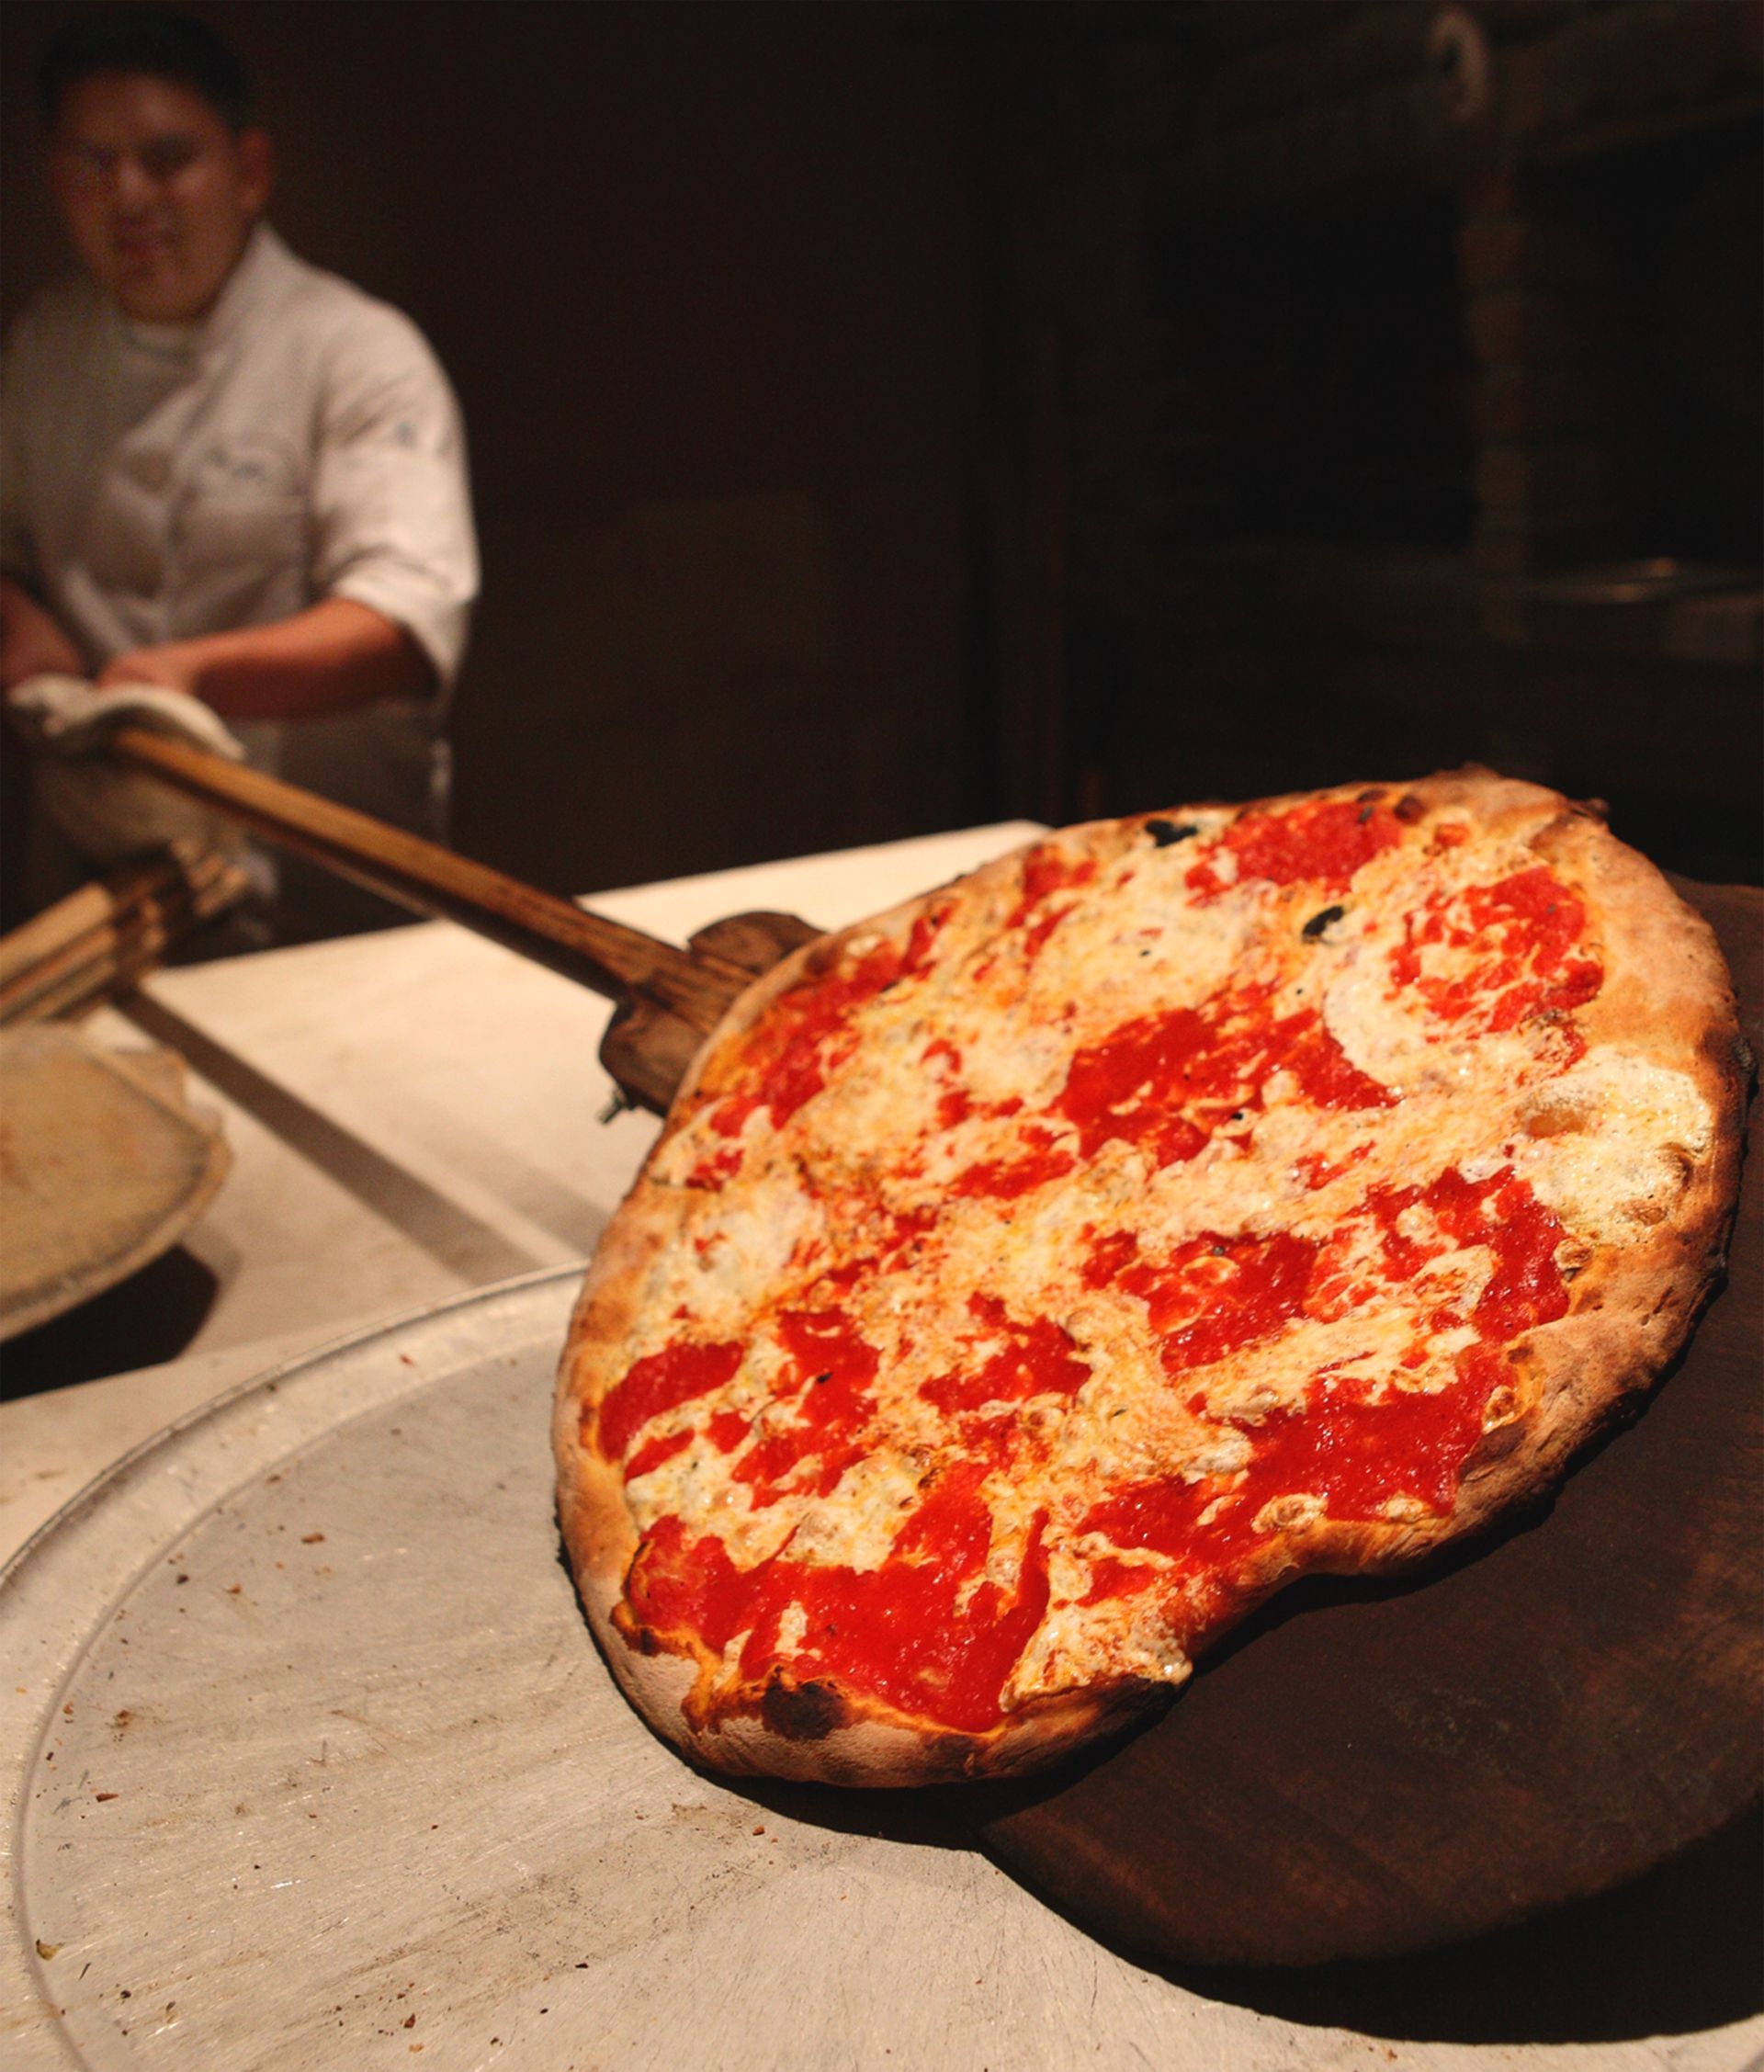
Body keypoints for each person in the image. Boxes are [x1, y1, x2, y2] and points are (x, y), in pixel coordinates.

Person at [0, 6, 479, 936]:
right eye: (93, 163)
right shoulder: (41, 349)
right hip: (108, 899)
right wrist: (22, 627)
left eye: (167, 157)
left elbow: (405, 622)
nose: (129, 195)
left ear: (248, 169)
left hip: (327, 898)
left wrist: (184, 678)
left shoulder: (356, 352)